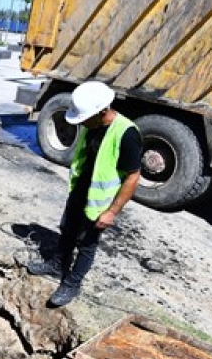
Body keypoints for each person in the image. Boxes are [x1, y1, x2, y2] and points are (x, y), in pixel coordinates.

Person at [27, 81, 143, 306]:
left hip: (99, 202)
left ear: (102, 112)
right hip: (80, 191)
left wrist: (112, 212)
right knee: (67, 230)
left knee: (87, 244)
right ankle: (58, 264)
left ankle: (72, 283)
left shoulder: (126, 133)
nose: (81, 122)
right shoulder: (92, 126)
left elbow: (133, 176)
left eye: (85, 117)